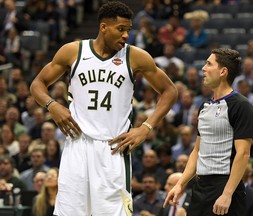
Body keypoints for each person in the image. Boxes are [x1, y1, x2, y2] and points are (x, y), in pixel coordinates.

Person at [29, 1, 177, 216]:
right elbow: (37, 84)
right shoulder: (73, 51)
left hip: (113, 147)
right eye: (121, 29)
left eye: (128, 30)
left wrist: (146, 127)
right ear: (103, 27)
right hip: (77, 144)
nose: (126, 35)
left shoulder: (135, 56)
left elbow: (170, 91)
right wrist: (52, 106)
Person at [163, 48, 253, 216]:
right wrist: (180, 184)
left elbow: (243, 154)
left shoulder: (242, 106)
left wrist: (227, 194)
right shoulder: (204, 106)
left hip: (225, 185)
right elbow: (197, 150)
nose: (203, 69)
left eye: (208, 64)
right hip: (200, 187)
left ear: (223, 71)